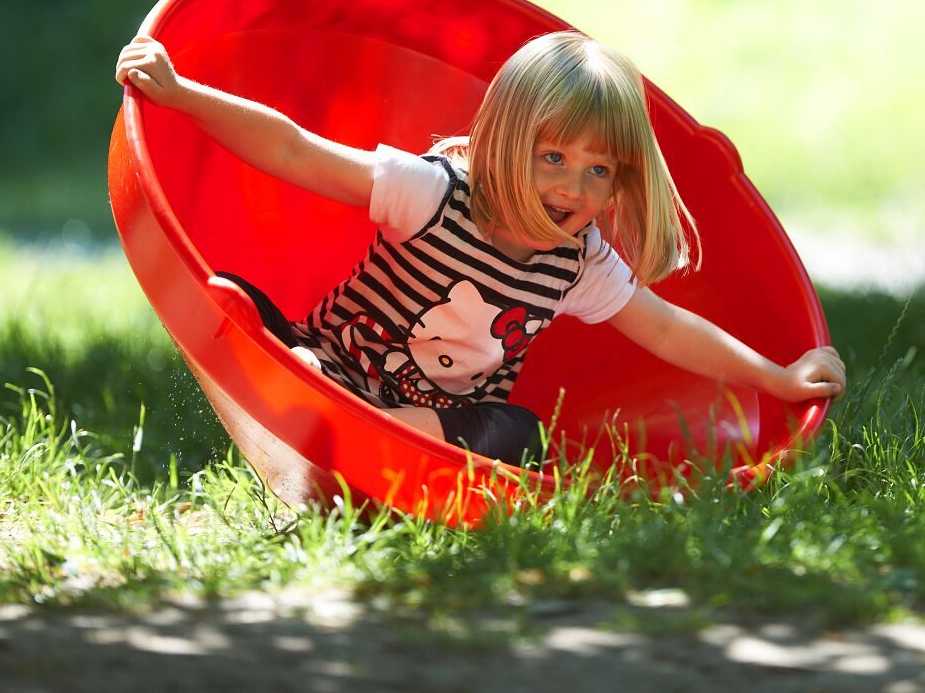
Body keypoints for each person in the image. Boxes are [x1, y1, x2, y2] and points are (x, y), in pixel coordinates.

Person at [115, 30, 845, 466]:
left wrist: (776, 379)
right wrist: (181, 92)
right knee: (245, 303)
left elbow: (667, 329)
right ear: (501, 142)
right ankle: (313, 399)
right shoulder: (432, 192)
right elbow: (296, 150)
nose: (572, 187)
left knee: (521, 433)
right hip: (333, 366)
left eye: (599, 170)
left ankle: (376, 439)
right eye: (551, 157)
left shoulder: (578, 259)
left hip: (435, 424)